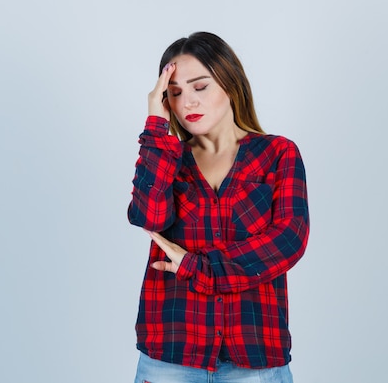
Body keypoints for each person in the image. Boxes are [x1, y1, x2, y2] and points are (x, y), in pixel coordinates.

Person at [127, 32, 309, 383]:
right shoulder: (168, 160)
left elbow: (288, 240)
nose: (187, 103)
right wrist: (156, 127)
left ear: (229, 83)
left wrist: (199, 267)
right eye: (175, 93)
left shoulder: (278, 154)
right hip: (170, 357)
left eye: (200, 87)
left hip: (254, 359)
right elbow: (147, 216)